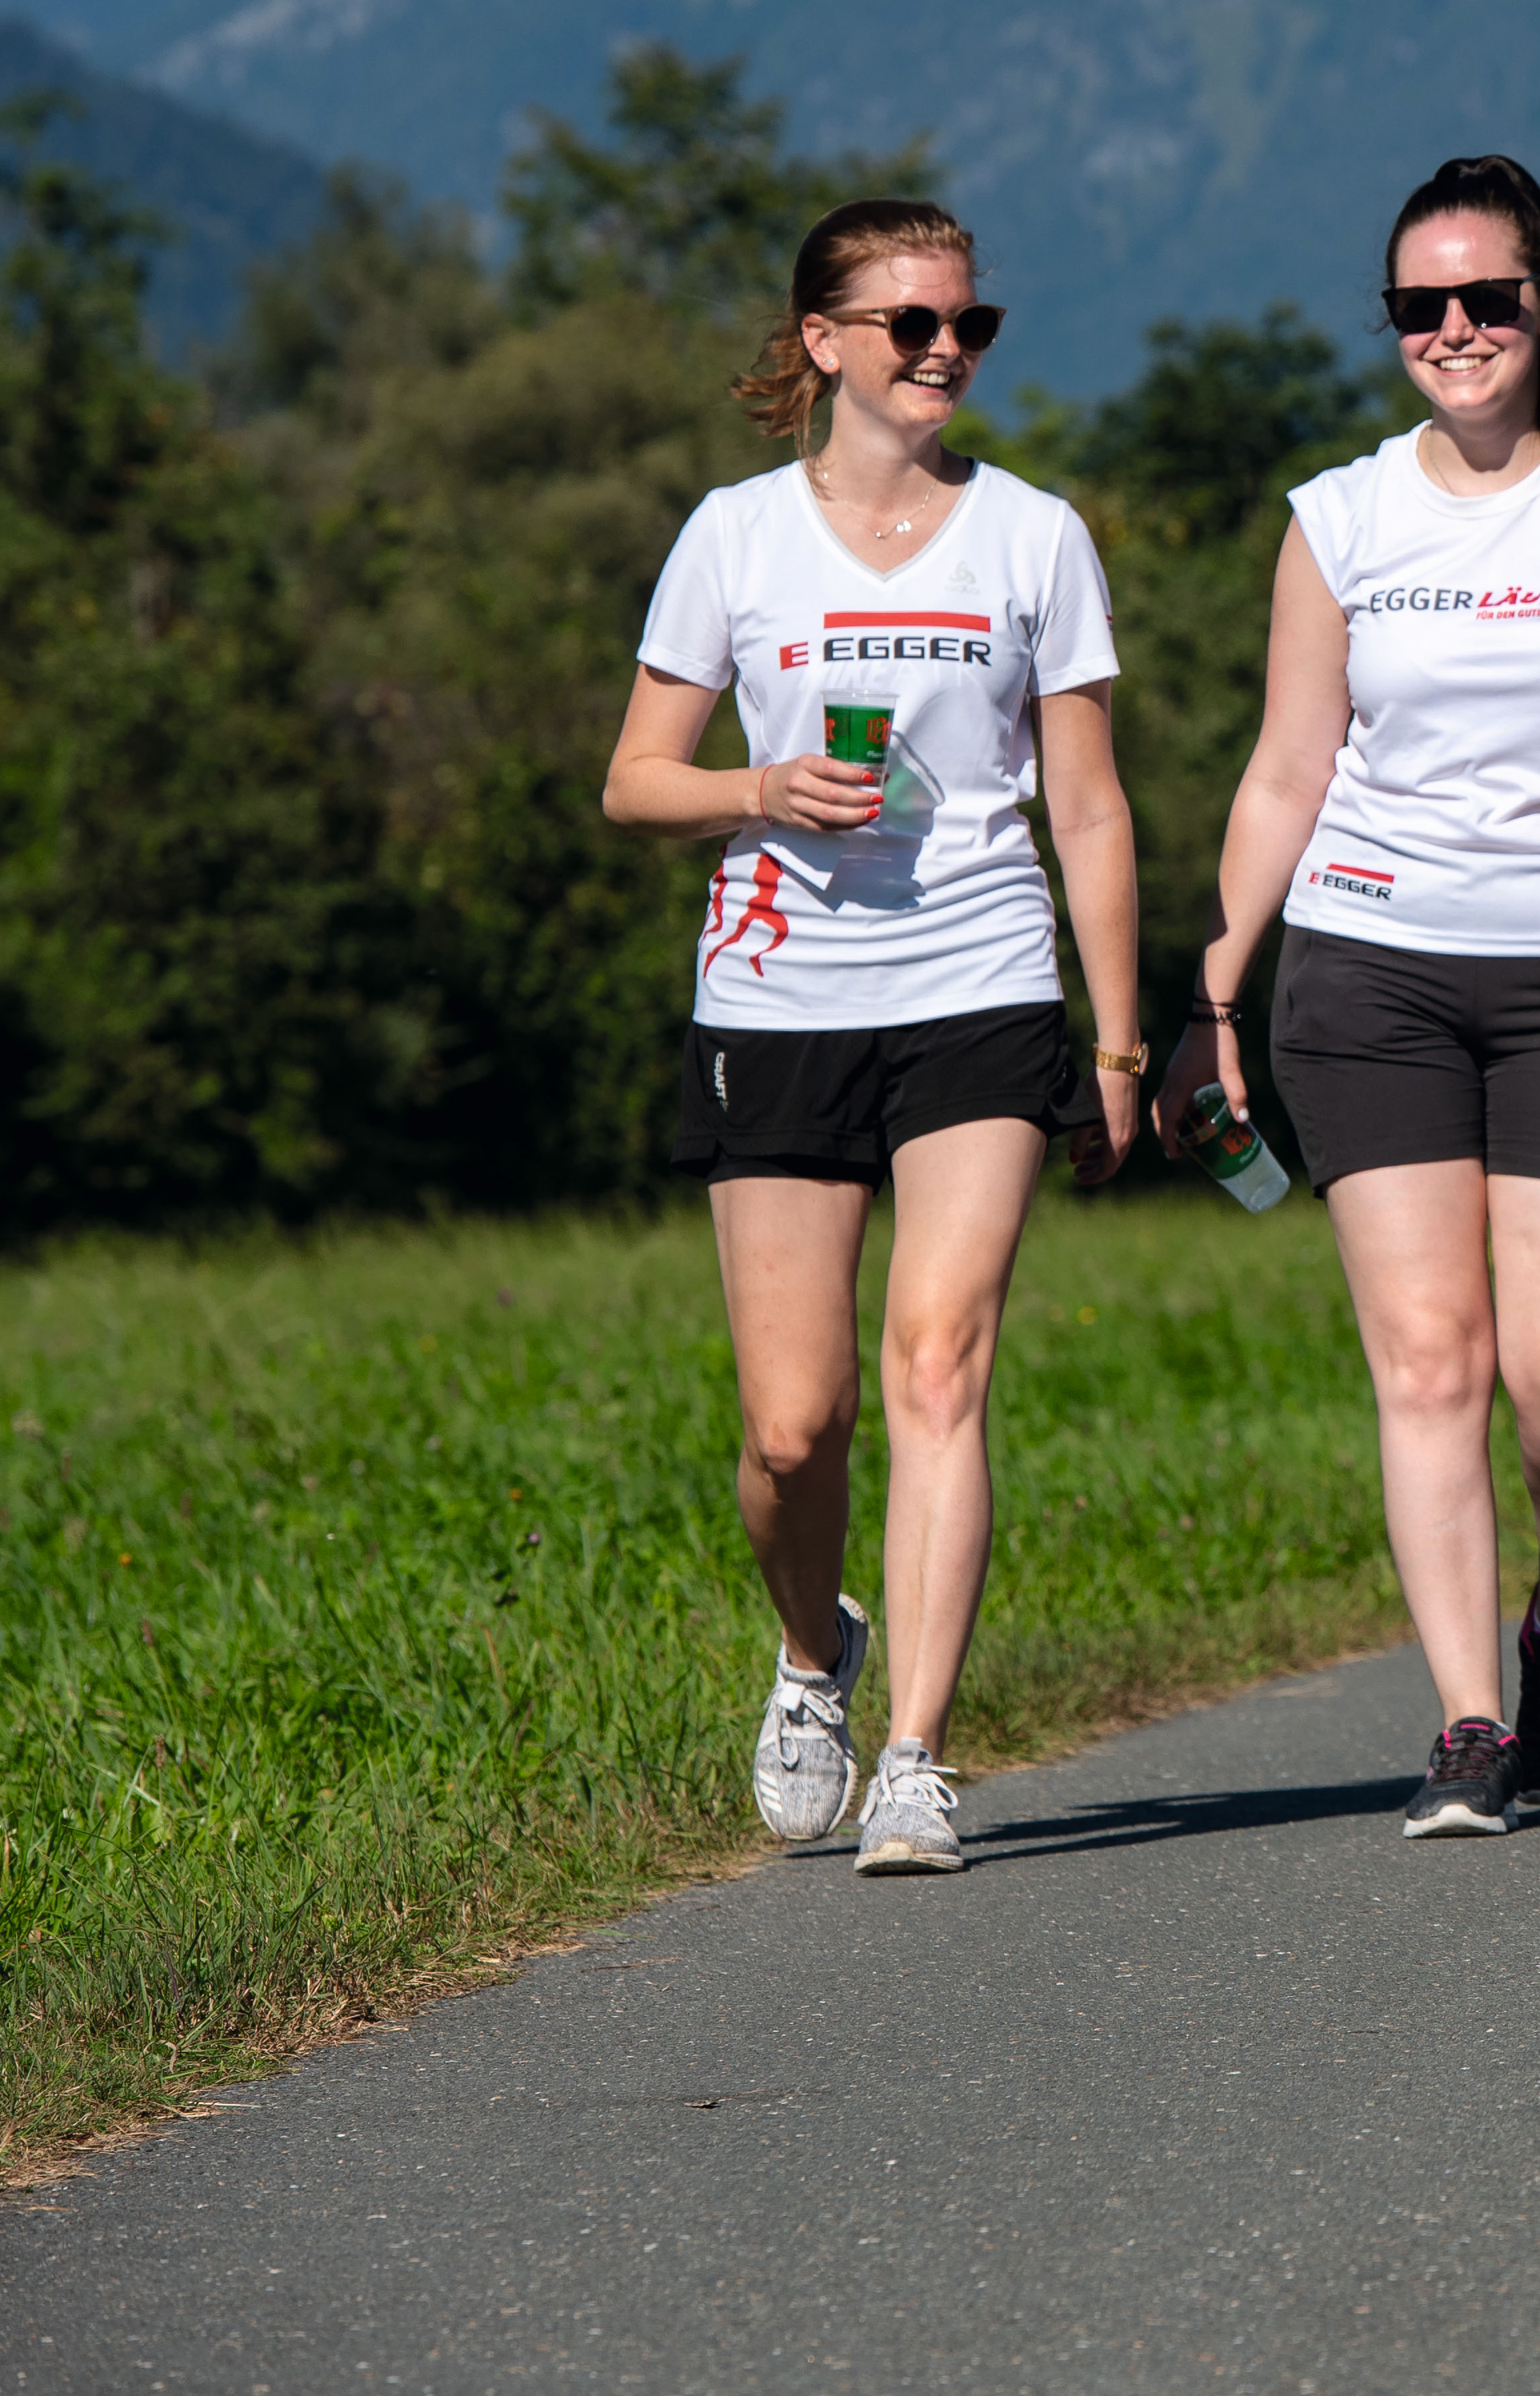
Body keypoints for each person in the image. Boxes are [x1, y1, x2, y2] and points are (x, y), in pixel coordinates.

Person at [1167, 153, 1540, 1840]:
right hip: (1367, 966)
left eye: (1487, 297)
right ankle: (1470, 1718)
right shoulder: (1339, 516)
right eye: (1422, 305)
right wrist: (1215, 978)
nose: (1455, 329)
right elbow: (1287, 760)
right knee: (1426, 1358)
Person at [604, 197, 1145, 1879]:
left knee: (939, 1357)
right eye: (909, 324)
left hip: (980, 984)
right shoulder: (735, 535)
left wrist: (1119, 1044)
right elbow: (633, 779)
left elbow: (1091, 802)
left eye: (968, 323)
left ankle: (917, 1752)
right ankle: (811, 1652)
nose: (944, 352)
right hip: (775, 1000)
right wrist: (760, 788)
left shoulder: (1036, 534)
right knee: (791, 1425)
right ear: (823, 340)